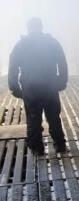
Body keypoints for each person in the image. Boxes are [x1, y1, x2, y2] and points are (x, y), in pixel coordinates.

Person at [8, 18, 68, 155]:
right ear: (41, 27)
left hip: (30, 87)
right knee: (53, 116)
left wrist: (14, 87)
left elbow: (13, 67)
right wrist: (62, 81)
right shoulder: (52, 42)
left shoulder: (21, 44)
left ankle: (37, 148)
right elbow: (62, 63)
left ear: (28, 28)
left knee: (33, 118)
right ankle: (60, 145)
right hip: (50, 85)